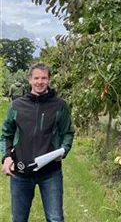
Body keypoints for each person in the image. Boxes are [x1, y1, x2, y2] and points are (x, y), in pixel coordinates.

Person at [0, 63, 74, 222]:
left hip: (50, 172)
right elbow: (6, 134)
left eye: (44, 78)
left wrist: (63, 150)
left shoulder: (59, 106)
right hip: (21, 172)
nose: (40, 82)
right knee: (19, 219)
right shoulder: (16, 106)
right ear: (29, 80)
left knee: (55, 218)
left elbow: (67, 133)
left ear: (49, 79)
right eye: (36, 78)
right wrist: (6, 157)